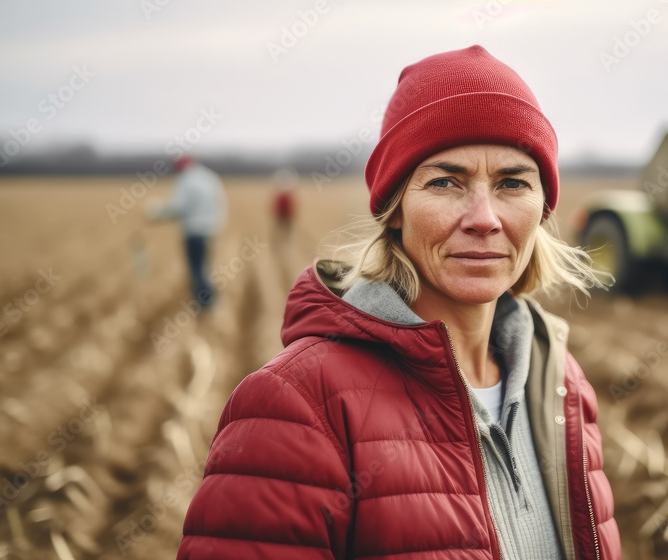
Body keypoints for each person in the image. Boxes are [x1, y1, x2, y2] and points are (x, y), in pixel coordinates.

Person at [177, 45, 620, 560]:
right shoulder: (296, 405)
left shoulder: (560, 381)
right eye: (445, 181)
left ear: (542, 207)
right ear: (394, 209)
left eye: (513, 183)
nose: (484, 217)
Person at [147, 154, 227, 311]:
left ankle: (206, 305)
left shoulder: (185, 180)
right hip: (210, 230)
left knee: (196, 271)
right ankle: (211, 302)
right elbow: (221, 202)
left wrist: (156, 213)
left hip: (193, 231)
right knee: (204, 268)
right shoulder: (209, 177)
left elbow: (179, 207)